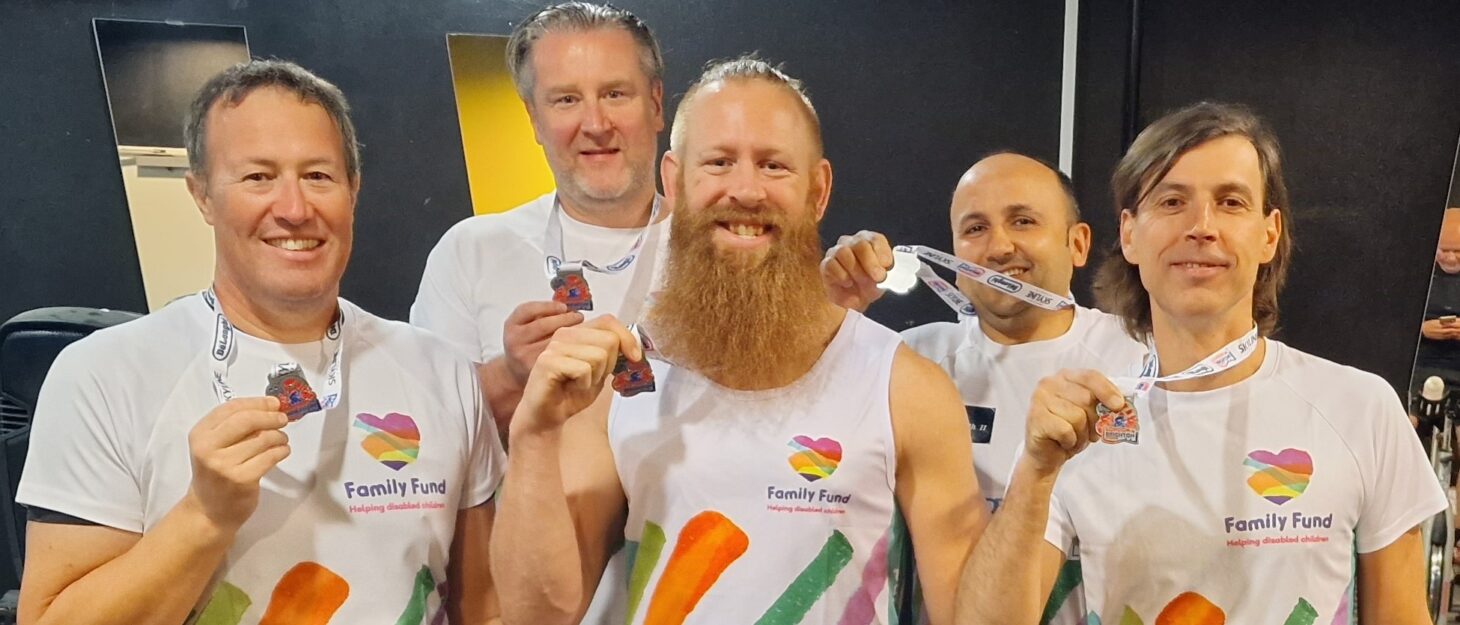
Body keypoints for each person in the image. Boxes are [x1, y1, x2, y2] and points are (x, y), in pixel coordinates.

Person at [490, 56, 987, 625]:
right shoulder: (614, 383)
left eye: (774, 165)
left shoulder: (903, 385)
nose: (746, 190)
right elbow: (536, 614)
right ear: (674, 182)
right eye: (719, 162)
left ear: (818, 190)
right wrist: (533, 432)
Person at [15, 60, 504, 625]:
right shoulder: (102, 375)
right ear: (201, 196)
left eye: (318, 176)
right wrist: (204, 516)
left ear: (353, 191)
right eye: (258, 177)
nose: (294, 209)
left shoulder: (440, 369)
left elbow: (482, 607)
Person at [957, 102, 1446, 624]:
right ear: (1129, 235)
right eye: (1171, 201)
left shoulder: (1359, 407)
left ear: (1269, 234)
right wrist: (1035, 471)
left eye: (1231, 202)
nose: (1201, 226)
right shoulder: (1081, 423)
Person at [820, 153, 1146, 623]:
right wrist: (833, 316)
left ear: (1077, 243)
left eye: (1023, 221)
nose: (998, 247)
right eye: (975, 229)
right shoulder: (910, 362)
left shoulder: (1142, 360)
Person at [411, 1, 669, 434]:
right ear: (534, 118)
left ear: (656, 104)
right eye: (566, 99)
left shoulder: (724, 251)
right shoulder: (471, 252)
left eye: (615, 94)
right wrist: (511, 376)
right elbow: (429, 441)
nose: (595, 123)